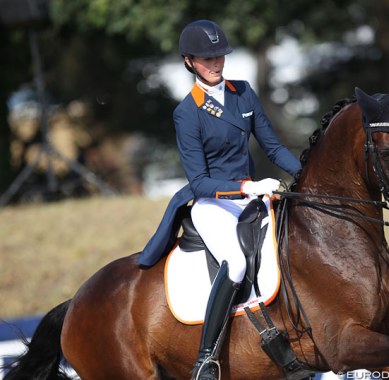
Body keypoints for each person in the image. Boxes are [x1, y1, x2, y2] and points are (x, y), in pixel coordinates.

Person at [138, 19, 301, 380]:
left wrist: (305, 175)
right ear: (189, 61)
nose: (216, 64)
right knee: (237, 262)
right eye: (206, 58)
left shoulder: (243, 93)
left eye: (219, 57)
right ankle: (205, 360)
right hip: (215, 203)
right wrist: (246, 188)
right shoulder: (188, 111)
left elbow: (272, 147)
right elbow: (198, 183)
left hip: (252, 197)